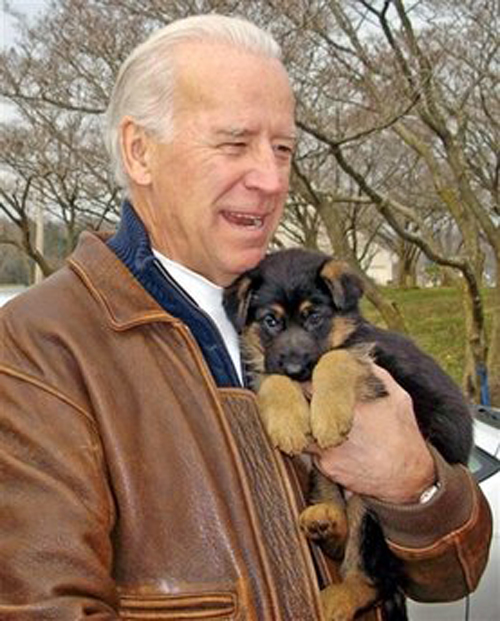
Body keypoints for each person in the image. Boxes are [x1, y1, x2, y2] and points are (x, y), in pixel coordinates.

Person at [0, 14, 492, 621]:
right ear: (139, 151)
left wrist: (413, 483)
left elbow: (452, 577)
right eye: (234, 143)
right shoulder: (36, 346)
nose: (270, 178)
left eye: (283, 148)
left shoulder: (301, 304)